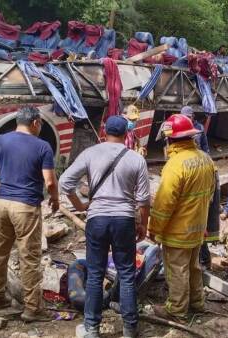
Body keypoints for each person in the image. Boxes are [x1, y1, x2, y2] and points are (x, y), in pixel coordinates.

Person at [59, 115, 151, 338]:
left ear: (104, 132)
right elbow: (144, 200)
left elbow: (64, 182)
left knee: (96, 273)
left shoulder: (91, 153)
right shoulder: (136, 159)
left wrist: (80, 205)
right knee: (127, 274)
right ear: (126, 134)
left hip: (97, 219)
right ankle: (129, 329)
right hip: (124, 220)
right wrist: (143, 225)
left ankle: (92, 329)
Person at [0, 106, 59, 322]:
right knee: (29, 257)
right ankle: (32, 309)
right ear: (35, 123)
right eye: (41, 124)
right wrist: (54, 199)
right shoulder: (42, 146)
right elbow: (50, 181)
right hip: (25, 207)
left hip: (1, 205)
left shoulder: (0, 140)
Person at [149, 114, 215, 322]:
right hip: (197, 228)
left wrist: (155, 228)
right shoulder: (206, 159)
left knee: (177, 270)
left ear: (170, 139)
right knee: (194, 267)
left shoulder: (175, 165)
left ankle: (176, 310)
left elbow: (164, 204)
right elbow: (211, 194)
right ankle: (197, 303)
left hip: (178, 230)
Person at [180, 106, 219, 269]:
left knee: (199, 234)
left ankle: (203, 261)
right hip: (200, 209)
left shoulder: (199, 130)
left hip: (197, 211)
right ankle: (201, 261)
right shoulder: (201, 164)